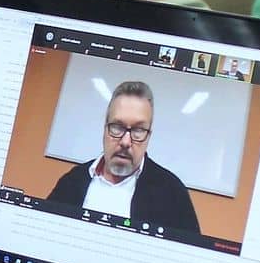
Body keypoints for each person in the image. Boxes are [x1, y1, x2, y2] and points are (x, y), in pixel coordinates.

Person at [44, 80, 200, 239]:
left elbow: (190, 251)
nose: (125, 142)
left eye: (138, 130)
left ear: (148, 136)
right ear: (105, 128)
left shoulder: (172, 193)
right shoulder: (72, 181)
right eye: (117, 127)